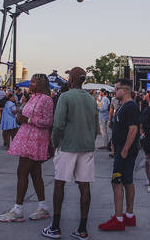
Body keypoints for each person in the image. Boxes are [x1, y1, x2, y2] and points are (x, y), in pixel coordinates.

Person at [42, 67, 98, 240]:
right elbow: (96, 126)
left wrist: (54, 143)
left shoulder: (65, 97)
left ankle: (56, 227)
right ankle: (82, 229)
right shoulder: (91, 99)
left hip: (67, 146)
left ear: (71, 79)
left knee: (59, 183)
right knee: (85, 185)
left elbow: (58, 124)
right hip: (86, 146)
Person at [0, 74, 54, 221]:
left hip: (35, 139)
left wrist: (27, 119)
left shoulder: (47, 99)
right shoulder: (34, 97)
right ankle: (43, 207)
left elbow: (48, 122)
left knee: (22, 171)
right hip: (27, 137)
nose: (30, 83)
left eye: (34, 82)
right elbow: (28, 115)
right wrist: (21, 117)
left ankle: (18, 210)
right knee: (35, 174)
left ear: (41, 84)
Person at [99, 78, 141, 232]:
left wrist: (124, 149)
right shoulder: (124, 106)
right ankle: (128, 216)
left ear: (126, 90)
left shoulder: (130, 107)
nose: (114, 92)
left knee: (117, 182)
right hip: (122, 150)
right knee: (127, 181)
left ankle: (118, 219)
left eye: (116, 89)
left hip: (125, 152)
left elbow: (133, 129)